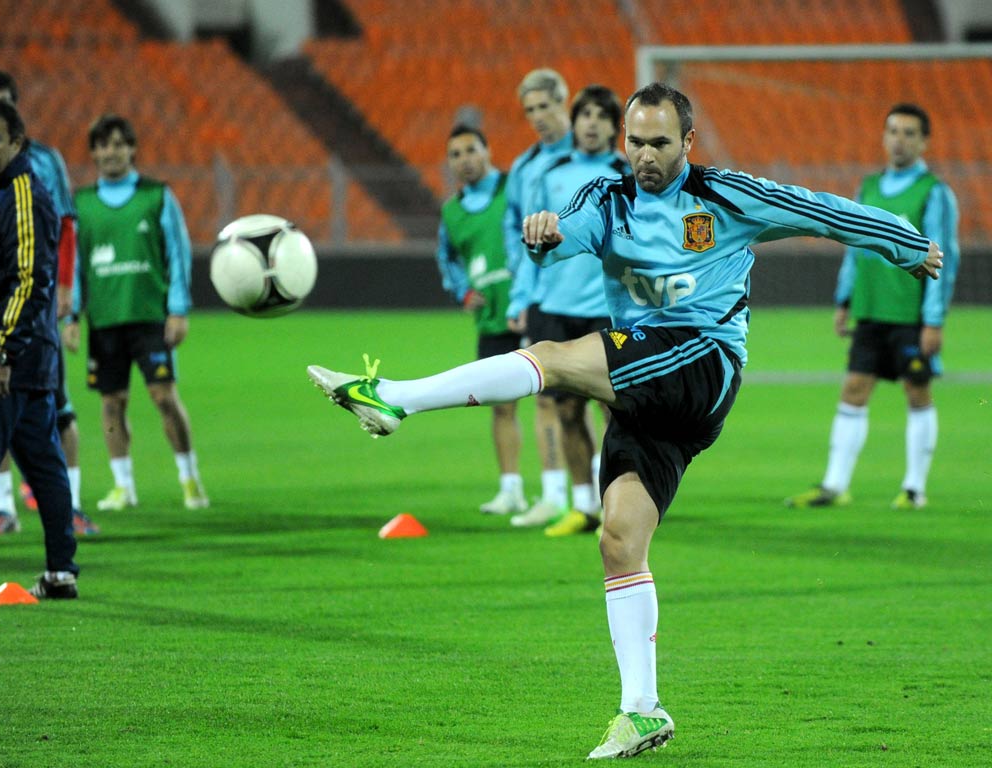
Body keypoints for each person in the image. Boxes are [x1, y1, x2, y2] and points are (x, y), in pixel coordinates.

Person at [305, 83, 943, 759]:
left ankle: (394, 397)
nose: (644, 154)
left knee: (551, 359)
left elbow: (822, 212)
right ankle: (642, 710)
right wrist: (544, 236)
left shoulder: (726, 195)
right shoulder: (606, 199)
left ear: (687, 143)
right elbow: (561, 240)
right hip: (647, 388)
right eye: (634, 141)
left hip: (703, 362)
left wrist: (907, 245)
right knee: (617, 537)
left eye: (659, 143)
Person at [785, 103, 960, 511]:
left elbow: (944, 257)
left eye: (909, 133)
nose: (899, 140)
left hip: (910, 316)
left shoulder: (934, 193)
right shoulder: (869, 187)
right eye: (893, 131)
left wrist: (933, 321)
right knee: (853, 390)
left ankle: (914, 488)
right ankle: (834, 485)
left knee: (917, 393)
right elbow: (854, 250)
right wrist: (845, 301)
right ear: (883, 137)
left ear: (924, 141)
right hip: (871, 311)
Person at [0, 69, 96, 536]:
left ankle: (72, 508)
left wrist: (69, 299)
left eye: (0, 106)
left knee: (52, 411)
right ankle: (5, 510)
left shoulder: (43, 163)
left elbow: (65, 228)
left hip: (28, 308)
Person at [61, 114, 209, 512]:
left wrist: (178, 310)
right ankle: (123, 484)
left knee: (164, 397)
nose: (111, 151)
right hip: (105, 320)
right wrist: (71, 316)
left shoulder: (157, 196)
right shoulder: (82, 204)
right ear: (93, 153)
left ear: (132, 149)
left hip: (150, 317)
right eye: (103, 145)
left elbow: (177, 254)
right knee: (111, 405)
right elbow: (71, 265)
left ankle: (189, 476)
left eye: (118, 143)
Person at [510, 84, 629, 537]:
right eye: (586, 115)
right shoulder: (550, 171)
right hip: (554, 307)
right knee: (565, 413)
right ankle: (584, 507)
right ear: (574, 122)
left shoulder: (624, 173)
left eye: (602, 116)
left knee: (614, 414)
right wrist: (523, 300)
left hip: (606, 308)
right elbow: (530, 242)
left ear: (614, 127)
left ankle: (615, 508)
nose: (592, 123)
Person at [435, 125, 526, 514]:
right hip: (492, 319)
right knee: (501, 405)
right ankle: (511, 489)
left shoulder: (514, 188)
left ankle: (587, 487)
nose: (464, 159)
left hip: (530, 309)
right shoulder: (452, 212)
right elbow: (448, 257)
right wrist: (463, 291)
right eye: (455, 154)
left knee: (568, 403)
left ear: (488, 150)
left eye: (471, 149)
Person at [501, 67, 574, 527]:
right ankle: (552, 494)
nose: (538, 117)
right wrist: (518, 298)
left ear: (563, 102)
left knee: (610, 402)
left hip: (595, 298)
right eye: (530, 110)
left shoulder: (597, 158)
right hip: (545, 297)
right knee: (547, 397)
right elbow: (515, 236)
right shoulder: (524, 169)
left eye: (545, 106)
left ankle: (608, 495)